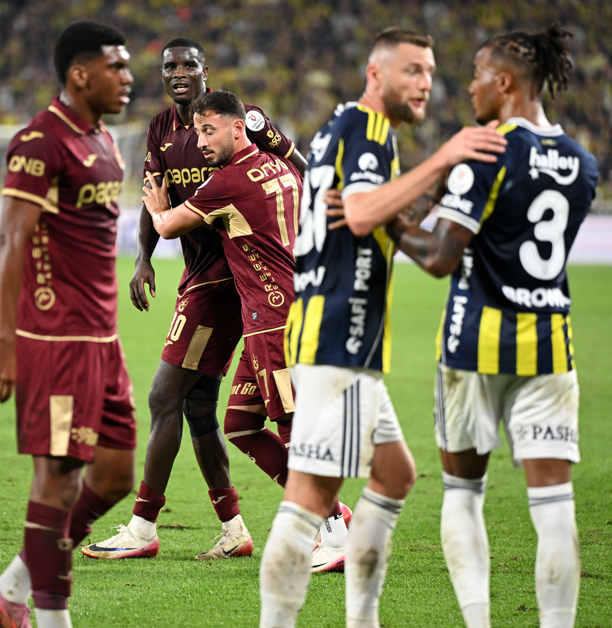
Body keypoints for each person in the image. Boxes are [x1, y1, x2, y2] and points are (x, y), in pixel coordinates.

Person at [258, 26, 507, 628]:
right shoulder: (367, 129)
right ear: (376, 74)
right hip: (338, 336)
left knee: (394, 475)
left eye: (430, 72)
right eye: (412, 70)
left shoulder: (349, 128)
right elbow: (364, 212)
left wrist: (427, 186)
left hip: (341, 336)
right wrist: (445, 156)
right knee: (309, 498)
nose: (426, 83)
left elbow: (374, 210)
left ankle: (362, 619)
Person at [386, 23, 597, 628]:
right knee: (554, 506)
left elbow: (439, 258)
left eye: (477, 75)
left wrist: (387, 219)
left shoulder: (485, 150)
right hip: (549, 346)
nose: (469, 86)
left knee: (463, 495)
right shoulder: (582, 163)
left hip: (474, 345)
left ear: (504, 82)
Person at [82, 37, 308, 562]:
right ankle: (233, 527)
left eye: (189, 64)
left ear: (206, 70)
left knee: (165, 396)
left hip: (228, 279)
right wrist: (142, 258)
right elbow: (152, 196)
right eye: (170, 65)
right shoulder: (161, 129)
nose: (179, 72)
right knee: (200, 404)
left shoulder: (242, 120)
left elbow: (295, 164)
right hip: (201, 272)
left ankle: (143, 526)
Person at [0, 21, 136, 628]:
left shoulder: (104, 140)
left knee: (114, 476)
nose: (128, 77)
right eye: (117, 66)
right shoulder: (40, 142)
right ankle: (46, 617)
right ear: (80, 74)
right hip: (54, 343)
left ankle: (12, 586)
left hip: (103, 342)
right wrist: (5, 344)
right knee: (55, 483)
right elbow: (11, 242)